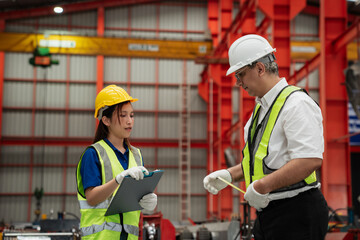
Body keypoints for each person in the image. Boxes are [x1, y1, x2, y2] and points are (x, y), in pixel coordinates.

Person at [203, 34, 328, 240]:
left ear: (260, 69)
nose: (238, 83)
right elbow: (262, 161)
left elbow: (309, 160)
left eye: (241, 74)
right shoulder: (259, 111)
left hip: (298, 214)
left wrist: (262, 186)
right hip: (268, 215)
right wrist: (229, 175)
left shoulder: (296, 104)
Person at [76, 85, 157, 240]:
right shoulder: (93, 154)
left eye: (132, 115)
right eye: (123, 115)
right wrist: (118, 180)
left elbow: (132, 198)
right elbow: (91, 198)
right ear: (105, 120)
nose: (129, 121)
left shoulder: (136, 155)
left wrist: (147, 201)